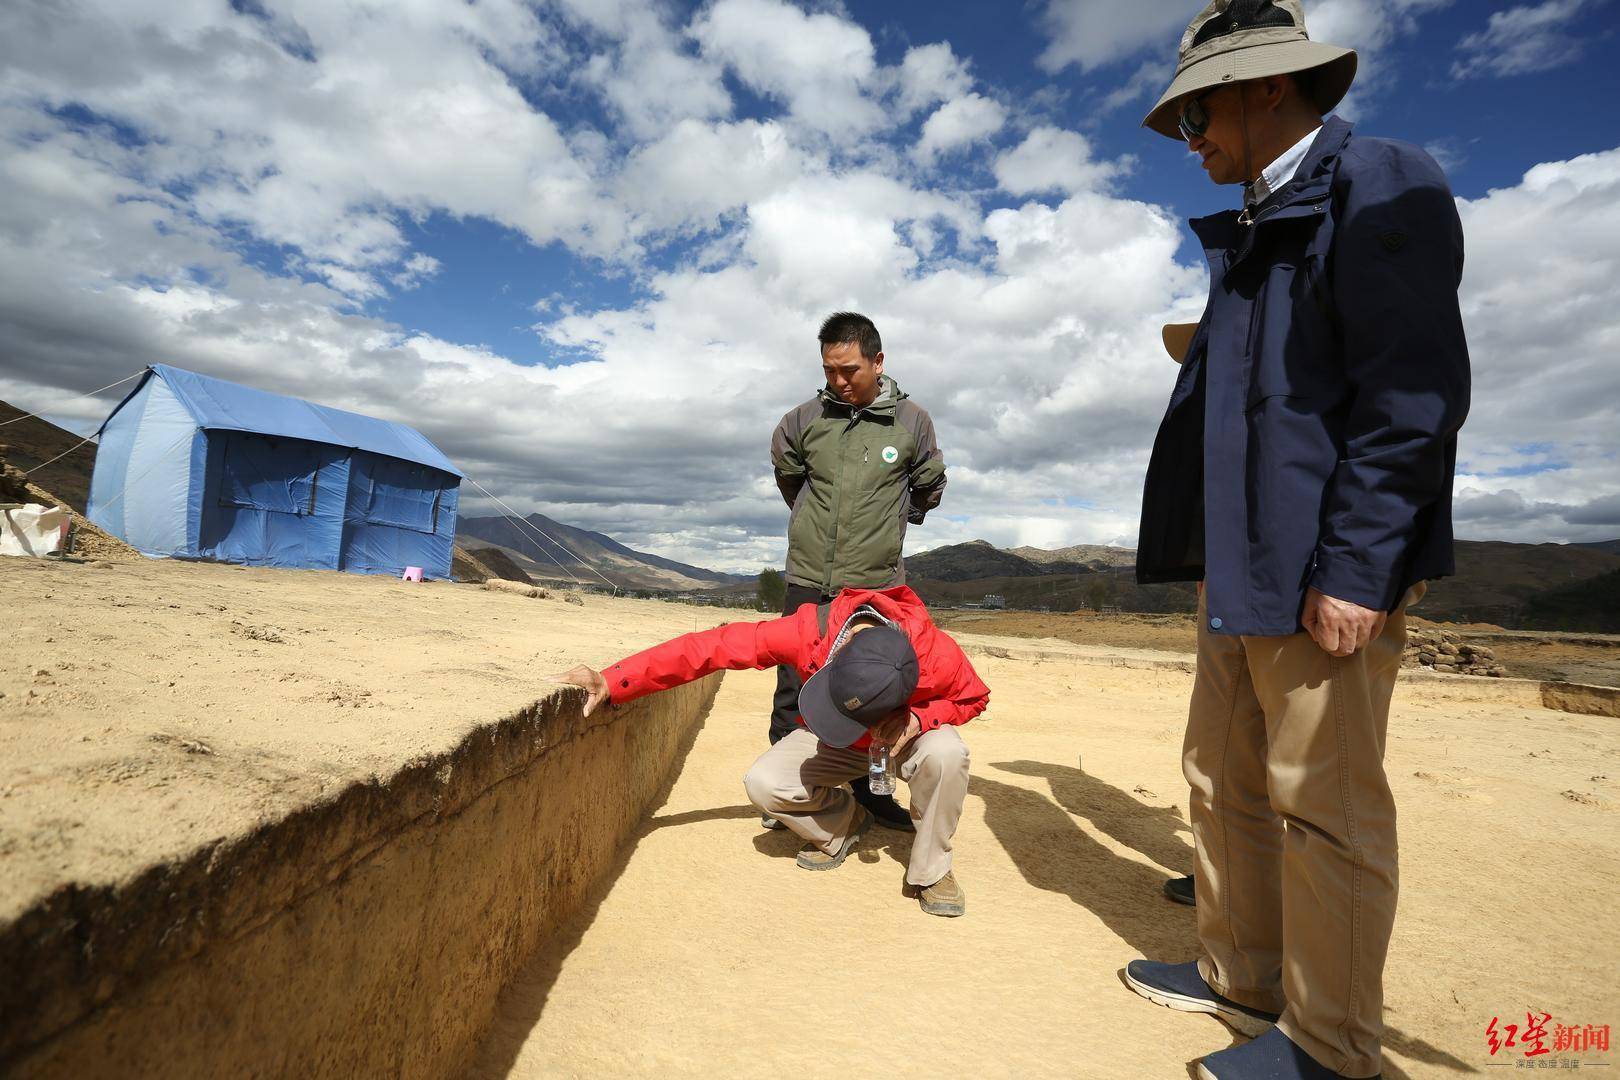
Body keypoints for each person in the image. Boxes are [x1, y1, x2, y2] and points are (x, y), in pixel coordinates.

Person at [1126, 3, 1471, 1079]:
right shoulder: (1259, 219)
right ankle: (1244, 975)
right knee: (1222, 779)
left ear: (1266, 87)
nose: (1193, 142)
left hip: (1323, 573)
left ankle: (1330, 1046)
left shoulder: (1382, 181)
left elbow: (1409, 397)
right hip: (1241, 566)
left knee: (1326, 810)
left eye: (1199, 116)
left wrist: (1361, 567)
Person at [548, 583, 988, 917]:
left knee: (947, 753)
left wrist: (916, 720)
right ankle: (844, 820)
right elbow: (710, 648)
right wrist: (614, 680)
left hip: (903, 739)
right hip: (834, 740)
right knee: (765, 783)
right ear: (836, 656)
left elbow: (974, 697)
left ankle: (932, 870)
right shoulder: (807, 632)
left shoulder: (935, 652)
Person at [766, 312, 948, 833]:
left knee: (870, 692)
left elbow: (928, 486)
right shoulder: (801, 420)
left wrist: (886, 525)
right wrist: (814, 526)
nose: (839, 380)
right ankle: (792, 790)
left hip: (875, 584)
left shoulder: (912, 422)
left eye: (849, 369)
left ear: (878, 361)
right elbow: (791, 479)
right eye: (829, 370)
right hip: (806, 577)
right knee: (791, 685)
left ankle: (871, 794)